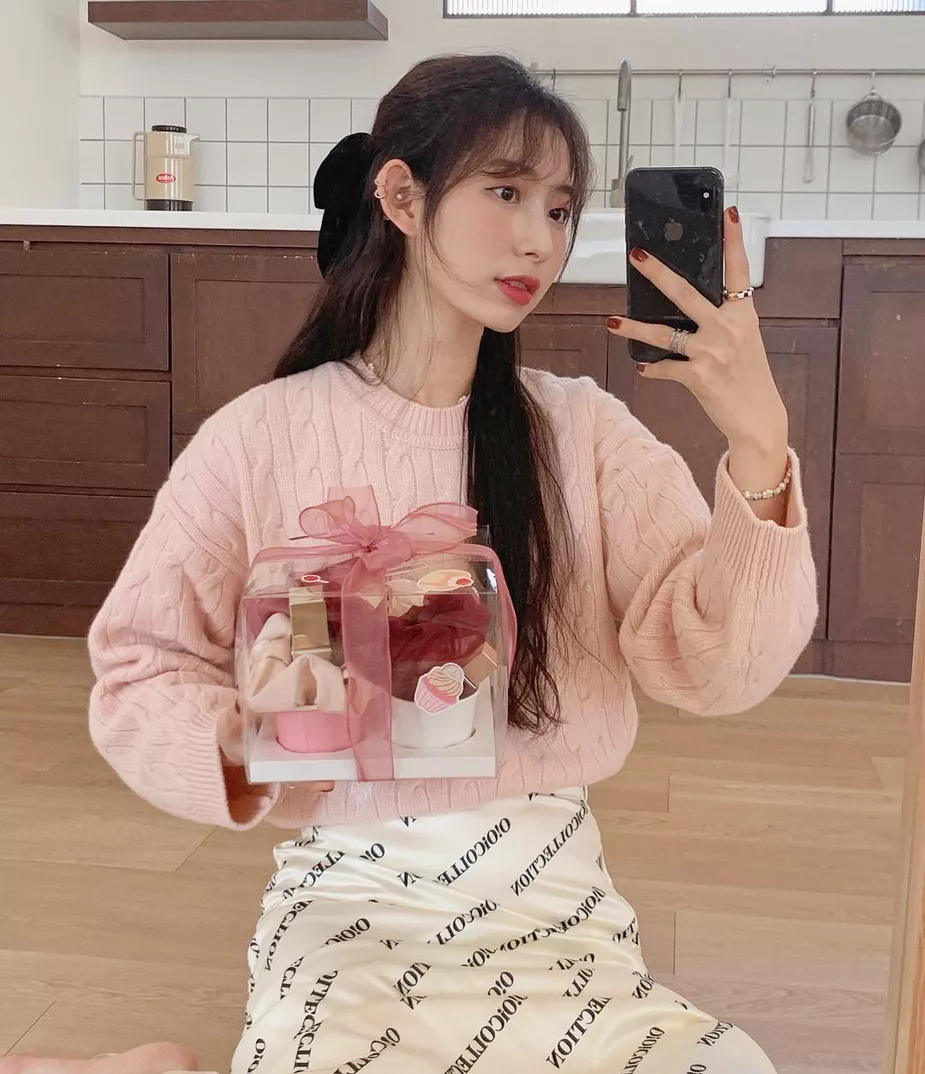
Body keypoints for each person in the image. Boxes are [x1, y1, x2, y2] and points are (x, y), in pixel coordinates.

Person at [5, 53, 817, 1074]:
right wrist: (261, 742)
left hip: (548, 887)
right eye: (506, 192)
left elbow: (714, 668)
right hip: (350, 887)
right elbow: (141, 672)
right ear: (400, 196)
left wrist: (757, 443)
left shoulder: (584, 433)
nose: (540, 239)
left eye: (560, 208)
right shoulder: (258, 436)